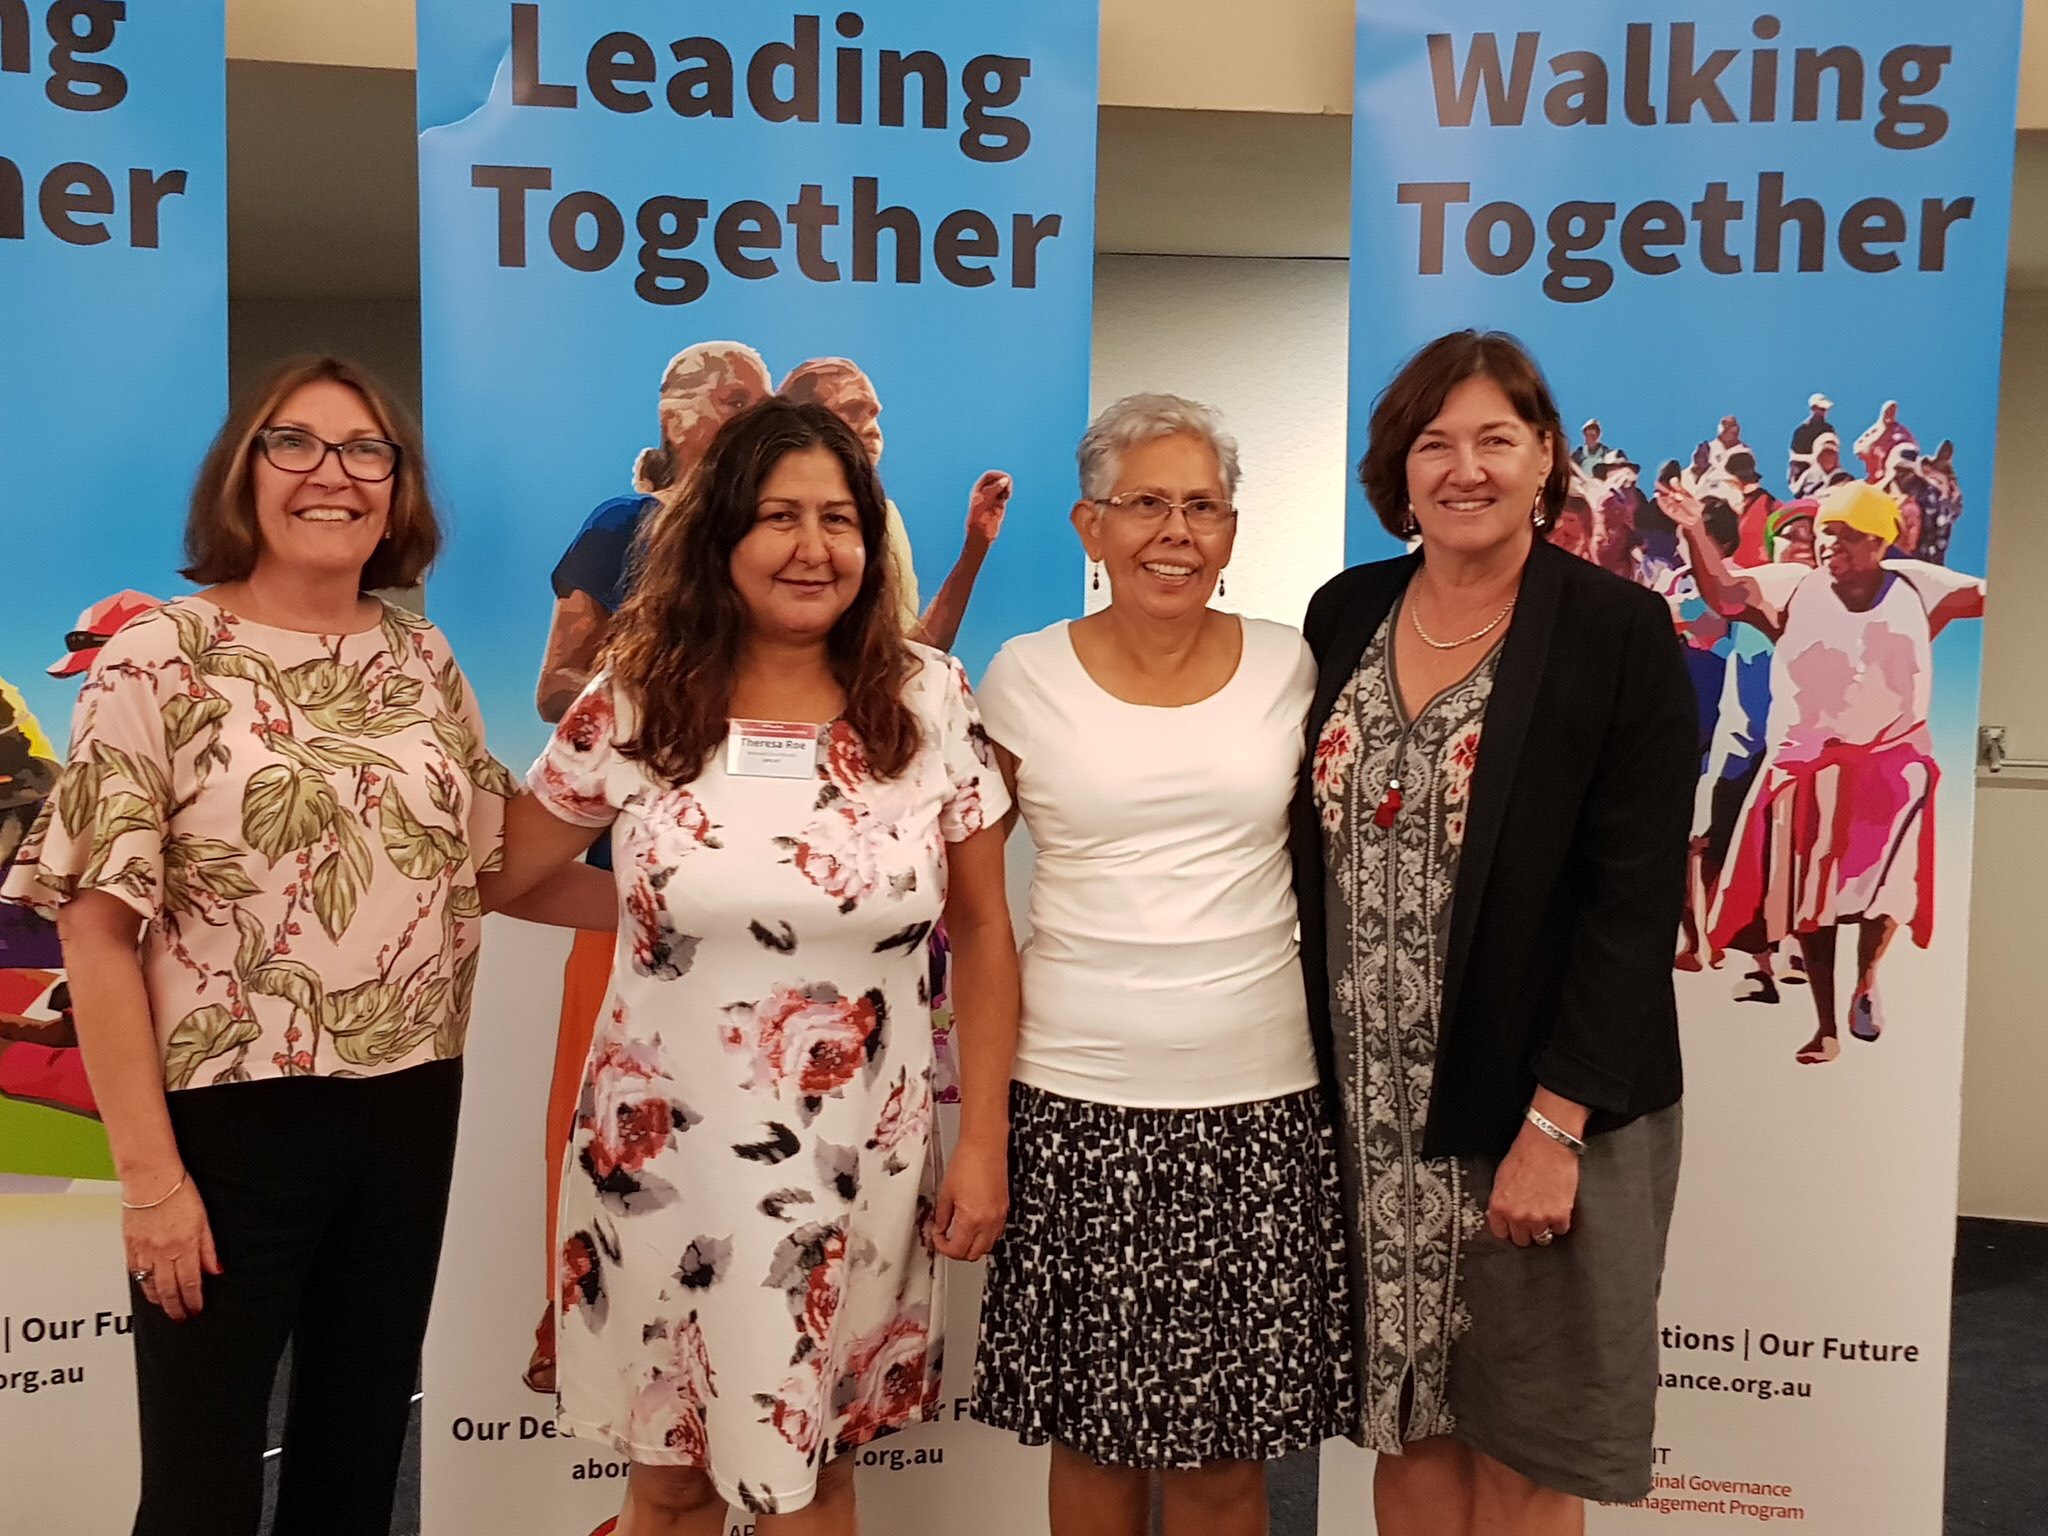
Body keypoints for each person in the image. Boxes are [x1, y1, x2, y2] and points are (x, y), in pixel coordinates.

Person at [0, 356, 522, 1536]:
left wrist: (684, 870)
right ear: (243, 474)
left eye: (366, 451)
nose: (333, 474)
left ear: (398, 488)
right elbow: (94, 926)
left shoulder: (423, 658)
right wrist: (151, 1183)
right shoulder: (158, 655)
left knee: (354, 1467)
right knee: (201, 1490)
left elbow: (495, 864)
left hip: (407, 1106)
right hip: (224, 1122)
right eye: (296, 443)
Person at [481, 398, 1019, 1531]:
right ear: (721, 532)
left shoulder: (928, 698)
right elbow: (508, 877)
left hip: (854, 1163)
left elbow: (980, 931)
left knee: (816, 1474)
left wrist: (983, 1141)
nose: (812, 547)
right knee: (668, 1477)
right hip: (663, 1159)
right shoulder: (634, 696)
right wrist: (660, 914)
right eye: (779, 516)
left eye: (838, 519)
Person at [1294, 330, 1694, 1532]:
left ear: (1543, 459)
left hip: (1537, 1103)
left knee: (1524, 1447)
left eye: (1493, 440)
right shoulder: (1344, 611)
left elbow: (1633, 904)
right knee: (1406, 1419)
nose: (1462, 469)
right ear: (1397, 468)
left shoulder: (1615, 629)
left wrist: (1554, 1129)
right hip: (1370, 1115)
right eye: (1432, 443)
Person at [968, 395, 1355, 1536]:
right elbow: (972, 917)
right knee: (1093, 1445)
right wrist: (979, 1134)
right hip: (1076, 1104)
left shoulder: (1293, 666)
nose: (1174, 532)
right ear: (1090, 525)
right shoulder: (1021, 676)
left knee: (1224, 1463)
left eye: (1202, 506)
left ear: (1231, 529)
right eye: (1144, 503)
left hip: (1258, 1107)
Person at [525, 338, 776, 1393]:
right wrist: (662, 679)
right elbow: (555, 687)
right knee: (612, 1125)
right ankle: (583, 1332)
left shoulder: (769, 539)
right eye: (744, 408)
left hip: (766, 902)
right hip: (635, 897)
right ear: (684, 421)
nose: (763, 430)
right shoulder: (621, 527)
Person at [1660, 479, 1984, 1064]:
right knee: (1812, 904)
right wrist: (1694, 530)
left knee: (1885, 891)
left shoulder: (1918, 586)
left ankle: (1867, 981)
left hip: (1893, 765)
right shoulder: (1793, 587)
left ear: (1879, 542)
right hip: (1807, 766)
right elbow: (1726, 595)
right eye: (1827, 534)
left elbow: (1993, 595)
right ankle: (1826, 1024)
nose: (1830, 544)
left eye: (1846, 535)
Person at [777, 357, 1012, 650]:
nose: (873, 430)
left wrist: (976, 542)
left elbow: (909, 657)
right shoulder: (752, 521)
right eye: (853, 411)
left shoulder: (885, 519)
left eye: (873, 414)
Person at [1787, 393, 1835, 487]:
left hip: (1826, 476)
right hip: (1805, 478)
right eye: (1821, 409)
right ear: (1813, 408)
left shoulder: (1828, 429)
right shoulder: (1801, 431)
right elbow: (1795, 457)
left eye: (1825, 409)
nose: (1824, 412)